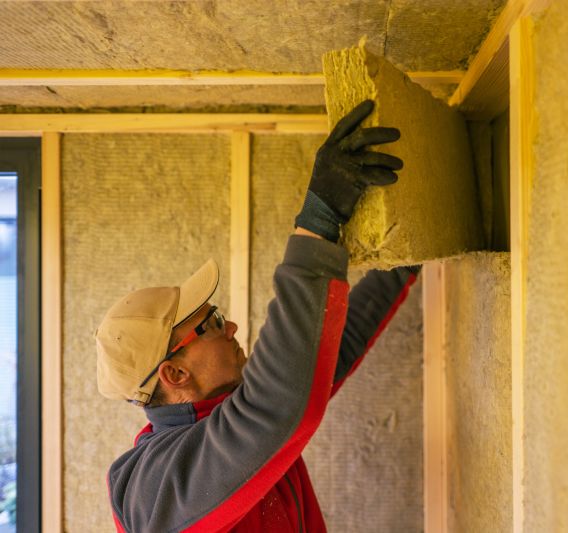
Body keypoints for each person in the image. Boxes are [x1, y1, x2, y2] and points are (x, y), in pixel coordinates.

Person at [95, 100, 419, 533]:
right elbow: (275, 404)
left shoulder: (233, 416)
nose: (229, 327)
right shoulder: (154, 488)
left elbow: (319, 354)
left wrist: (408, 257)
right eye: (210, 326)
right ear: (173, 373)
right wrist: (318, 220)